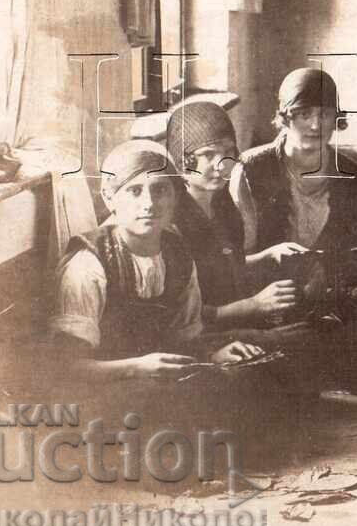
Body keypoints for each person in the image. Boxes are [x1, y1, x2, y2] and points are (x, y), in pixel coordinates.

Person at [48, 141, 262, 380]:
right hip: (108, 391)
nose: (149, 204)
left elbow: (185, 339)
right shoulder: (88, 266)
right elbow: (66, 369)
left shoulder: (177, 253)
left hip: (159, 383)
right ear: (110, 198)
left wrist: (212, 354)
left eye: (160, 190)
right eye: (135, 191)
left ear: (175, 198)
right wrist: (136, 368)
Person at [232, 68, 357, 313]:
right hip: (261, 297)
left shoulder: (356, 178)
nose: (315, 125)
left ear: (336, 120)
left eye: (325, 114)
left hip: (330, 299)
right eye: (303, 114)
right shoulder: (252, 169)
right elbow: (235, 261)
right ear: (285, 118)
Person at [166, 100, 306, 329]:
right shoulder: (172, 220)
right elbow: (180, 317)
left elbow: (223, 267)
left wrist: (267, 255)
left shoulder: (222, 203)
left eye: (228, 152)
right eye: (208, 155)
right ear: (183, 160)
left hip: (235, 325)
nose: (221, 165)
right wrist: (253, 305)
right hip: (204, 338)